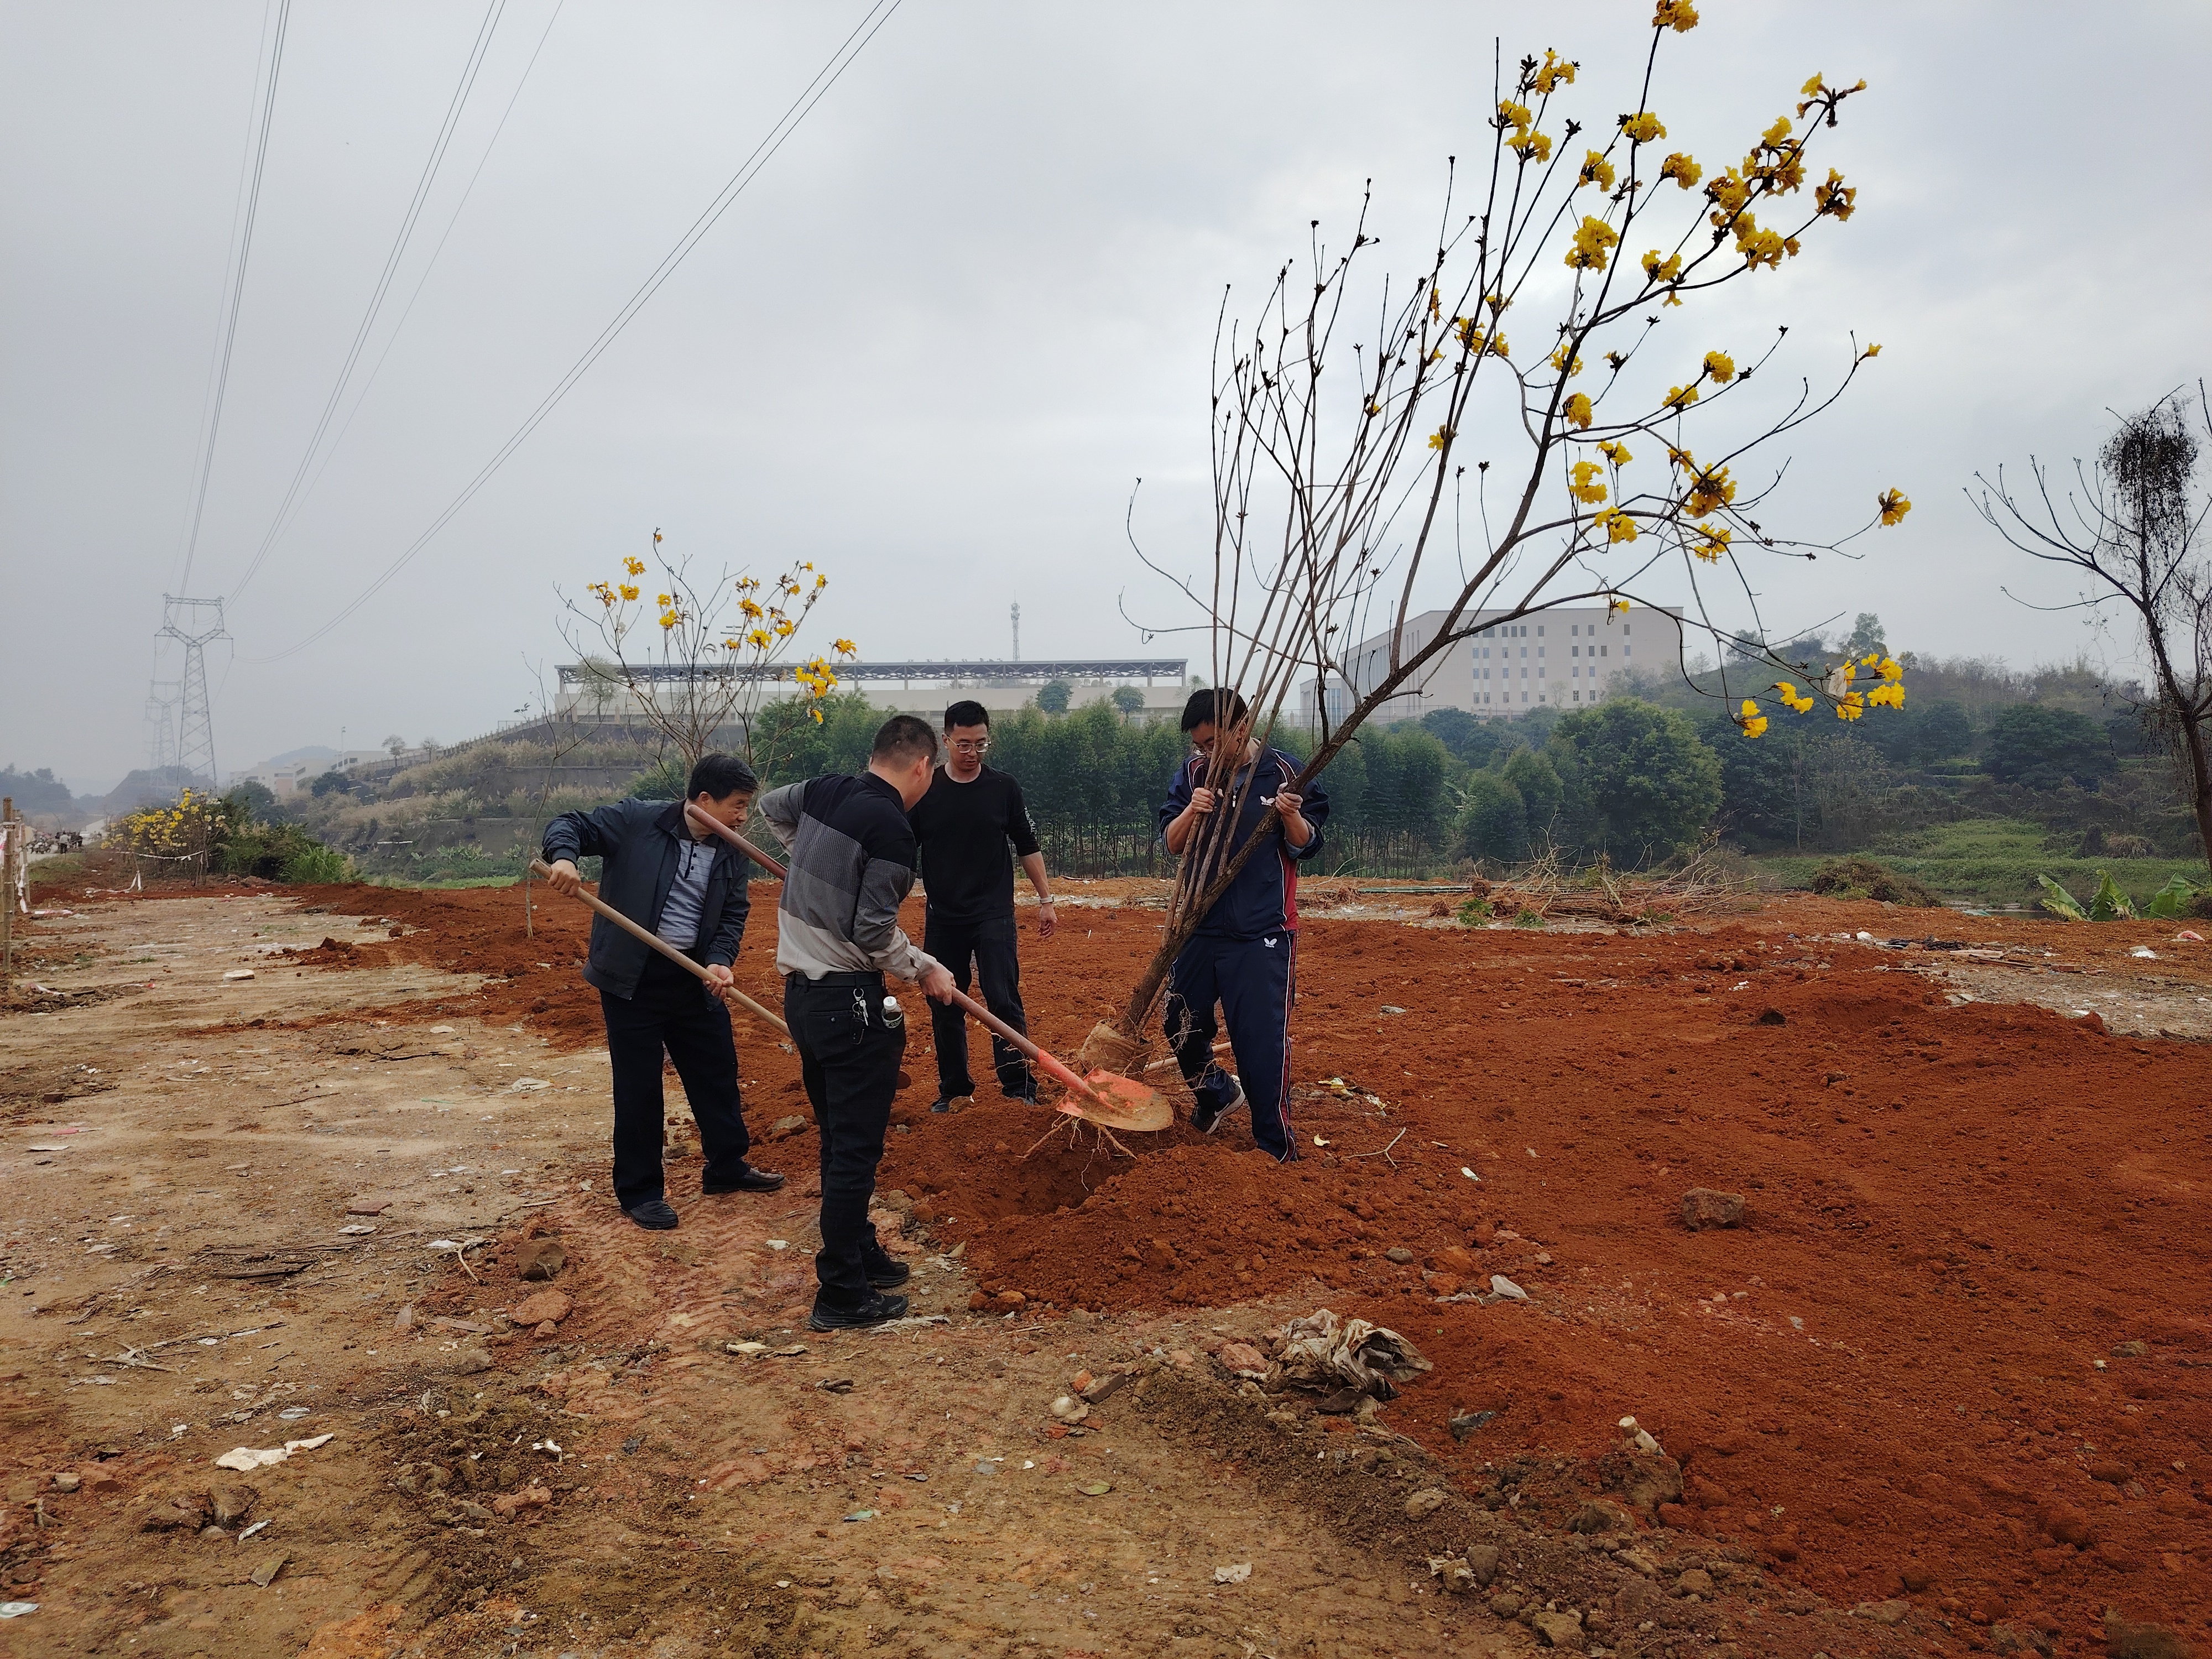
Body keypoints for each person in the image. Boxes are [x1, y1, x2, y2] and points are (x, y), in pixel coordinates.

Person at [759, 714, 958, 1331]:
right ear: (922, 766)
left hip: (804, 1001)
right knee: (854, 1151)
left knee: (839, 1140)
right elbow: (873, 932)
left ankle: (859, 1250)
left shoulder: (826, 790)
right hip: (849, 1005)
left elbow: (770, 806)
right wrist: (925, 967)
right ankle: (842, 1293)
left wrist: (814, 870)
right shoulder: (893, 831)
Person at [541, 753, 784, 1231]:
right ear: (705, 800)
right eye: (737, 805)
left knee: (716, 1069)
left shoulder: (731, 849)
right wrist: (565, 858)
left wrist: (720, 959)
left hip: (693, 975)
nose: (743, 816)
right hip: (631, 977)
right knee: (639, 1086)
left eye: (746, 806)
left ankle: (726, 1166)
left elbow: (733, 913)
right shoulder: (638, 821)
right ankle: (640, 1191)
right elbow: (569, 824)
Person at [1156, 688, 1329, 1162]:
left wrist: (1290, 816)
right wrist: (1193, 809)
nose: (1208, 754)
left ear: (1243, 725)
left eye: (1214, 743)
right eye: (1200, 746)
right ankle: (1215, 1093)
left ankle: (1274, 1147)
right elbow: (1171, 842)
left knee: (1261, 1042)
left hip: (1262, 930)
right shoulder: (1194, 775)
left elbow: (1308, 844)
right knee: (1179, 1021)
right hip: (1199, 924)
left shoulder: (1287, 772)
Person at [907, 698, 1057, 1112]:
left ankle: (1018, 1085)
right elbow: (902, 847)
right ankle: (954, 1089)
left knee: (1003, 998)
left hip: (994, 914)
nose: (972, 752)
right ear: (945, 741)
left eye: (980, 744)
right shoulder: (926, 790)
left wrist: (1046, 899)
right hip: (943, 916)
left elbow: (1027, 845)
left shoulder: (1003, 788)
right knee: (944, 1001)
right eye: (964, 744)